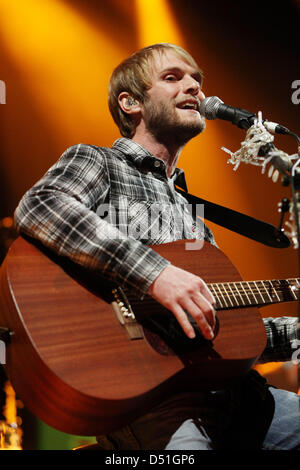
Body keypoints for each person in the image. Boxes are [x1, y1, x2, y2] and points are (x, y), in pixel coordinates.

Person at [14, 43, 300, 450]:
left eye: (197, 80)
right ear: (130, 103)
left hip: (238, 399)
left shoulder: (191, 211)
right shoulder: (99, 162)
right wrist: (155, 274)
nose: (194, 88)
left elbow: (226, 337)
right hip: (154, 404)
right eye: (173, 78)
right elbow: (41, 206)